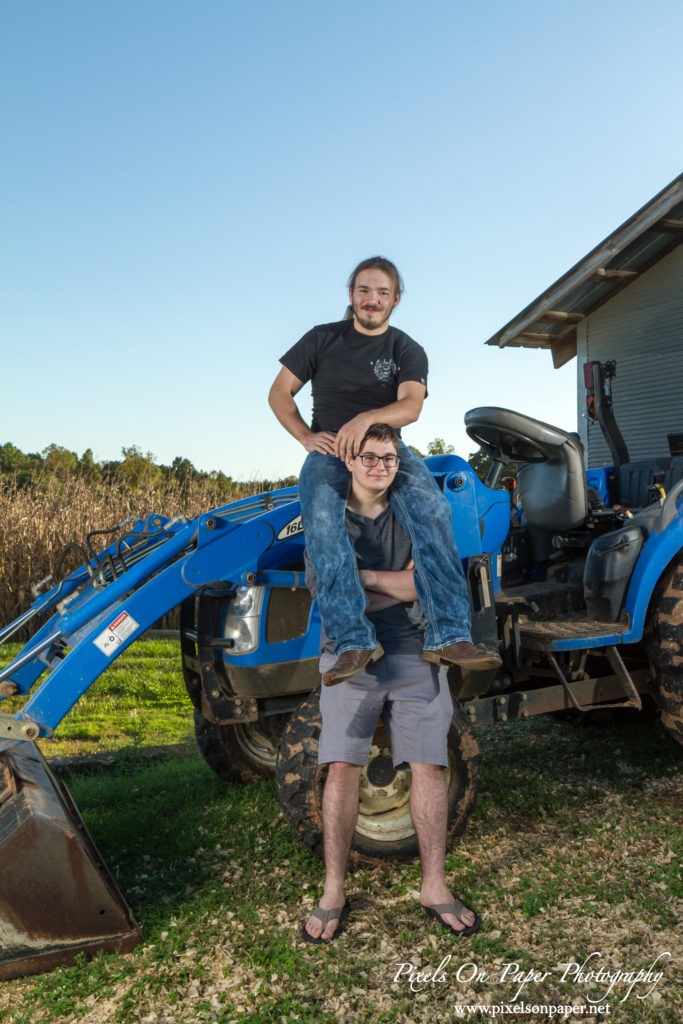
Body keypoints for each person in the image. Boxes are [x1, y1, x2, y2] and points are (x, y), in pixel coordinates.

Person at [268, 255, 500, 686]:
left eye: (382, 292)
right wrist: (305, 437)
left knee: (432, 506)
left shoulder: (406, 349)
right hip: (332, 447)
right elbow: (280, 392)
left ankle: (449, 633)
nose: (371, 300)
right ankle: (352, 639)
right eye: (363, 290)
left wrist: (366, 419)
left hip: (389, 446)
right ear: (351, 295)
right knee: (319, 512)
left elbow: (410, 406)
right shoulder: (321, 339)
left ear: (395, 299)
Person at [301, 423, 482, 943]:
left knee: (430, 765)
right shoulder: (324, 519)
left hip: (412, 649)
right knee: (341, 768)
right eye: (370, 457)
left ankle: (434, 885)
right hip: (348, 656)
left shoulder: (415, 516)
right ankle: (334, 888)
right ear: (350, 461)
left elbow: (428, 582)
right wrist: (397, 584)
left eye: (390, 458)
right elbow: (325, 591)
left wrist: (364, 581)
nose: (381, 466)